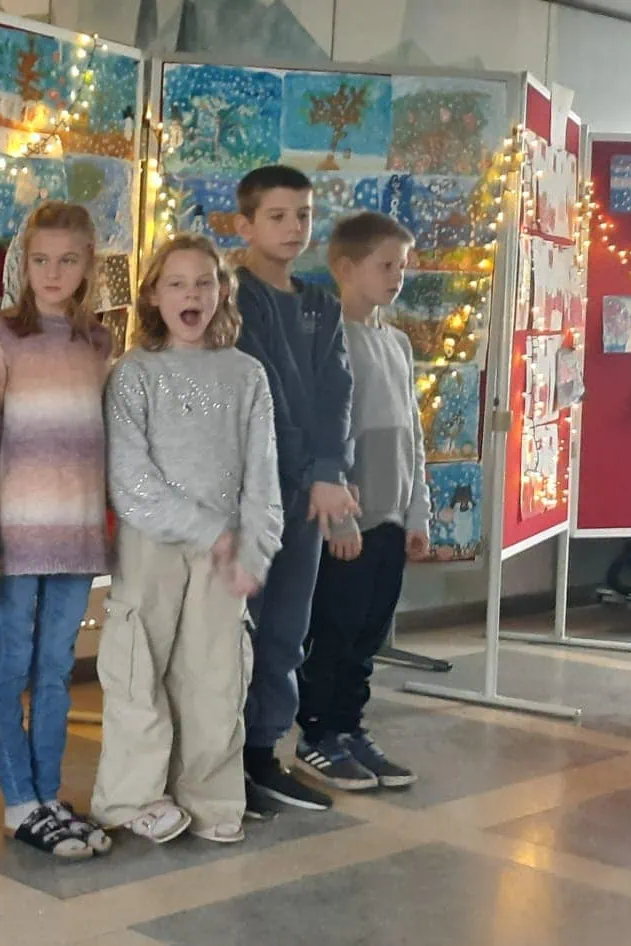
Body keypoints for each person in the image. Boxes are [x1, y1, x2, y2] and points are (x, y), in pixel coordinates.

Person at [91, 234, 282, 846]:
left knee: (216, 676)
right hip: (153, 544)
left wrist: (252, 549)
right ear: (154, 294)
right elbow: (129, 478)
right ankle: (132, 797)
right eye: (176, 284)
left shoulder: (247, 376)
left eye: (203, 282)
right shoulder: (134, 374)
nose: (190, 295)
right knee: (137, 669)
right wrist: (209, 531)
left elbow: (263, 476)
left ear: (222, 291)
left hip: (226, 553)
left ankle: (210, 797)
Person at [0, 203, 114, 859]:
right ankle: (18, 799)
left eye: (68, 260)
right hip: (18, 534)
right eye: (40, 260)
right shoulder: (0, 335)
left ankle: (49, 795)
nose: (53, 272)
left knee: (56, 669)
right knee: (11, 664)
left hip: (78, 535)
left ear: (88, 266)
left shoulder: (98, 343)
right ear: (23, 264)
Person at [232, 165, 358, 816]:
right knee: (239, 628)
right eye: (277, 216)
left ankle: (263, 754)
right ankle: (221, 759)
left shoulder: (321, 303)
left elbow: (336, 391)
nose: (293, 228)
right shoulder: (234, 297)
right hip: (252, 489)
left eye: (303, 215)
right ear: (245, 224)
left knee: (286, 625)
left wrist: (329, 472)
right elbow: (267, 393)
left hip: (307, 494)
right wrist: (314, 469)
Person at [294, 212, 428, 792]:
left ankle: (349, 727)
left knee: (369, 634)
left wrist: (417, 512)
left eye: (402, 266)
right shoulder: (327, 340)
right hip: (348, 522)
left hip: (391, 519)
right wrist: (340, 519)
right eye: (385, 265)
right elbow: (323, 437)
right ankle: (316, 735)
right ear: (346, 268)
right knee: (335, 629)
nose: (397, 276)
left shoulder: (397, 343)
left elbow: (412, 437)